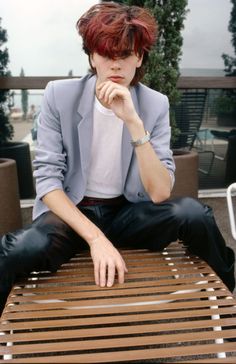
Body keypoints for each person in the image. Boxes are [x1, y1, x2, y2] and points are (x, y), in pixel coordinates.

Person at [0, 2, 235, 316]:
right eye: (106, 54)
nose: (115, 65)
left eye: (125, 55)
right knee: (20, 248)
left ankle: (227, 294)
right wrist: (96, 239)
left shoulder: (154, 105)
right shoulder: (60, 95)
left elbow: (160, 193)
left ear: (138, 57)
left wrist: (133, 122)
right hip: (73, 213)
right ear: (92, 57)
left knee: (194, 214)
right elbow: (48, 184)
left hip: (127, 213)